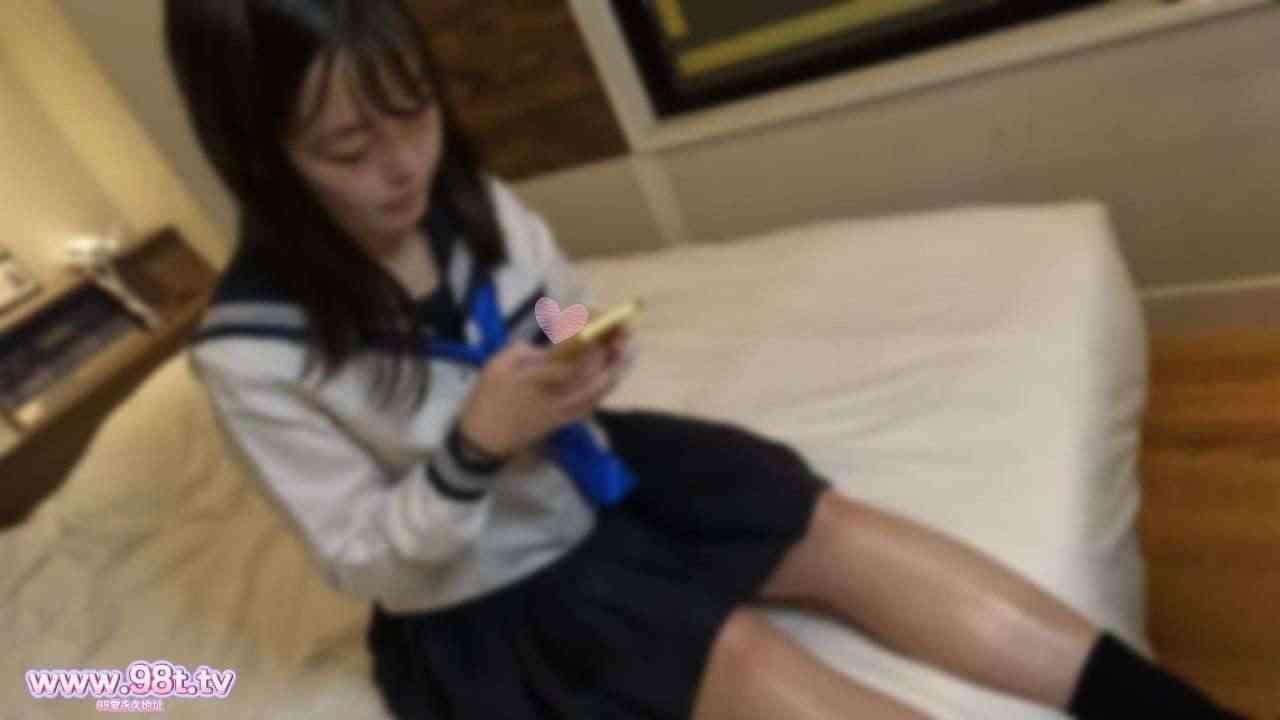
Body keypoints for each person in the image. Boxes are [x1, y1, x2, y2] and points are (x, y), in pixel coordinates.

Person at [163, 1, 1250, 718]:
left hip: (592, 463)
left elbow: (553, 297)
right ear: (263, 157)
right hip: (487, 586)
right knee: (740, 655)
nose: (403, 165)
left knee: (830, 531)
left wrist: (572, 351)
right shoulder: (251, 353)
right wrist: (474, 446)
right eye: (349, 149)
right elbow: (367, 562)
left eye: (414, 114)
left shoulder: (463, 199)